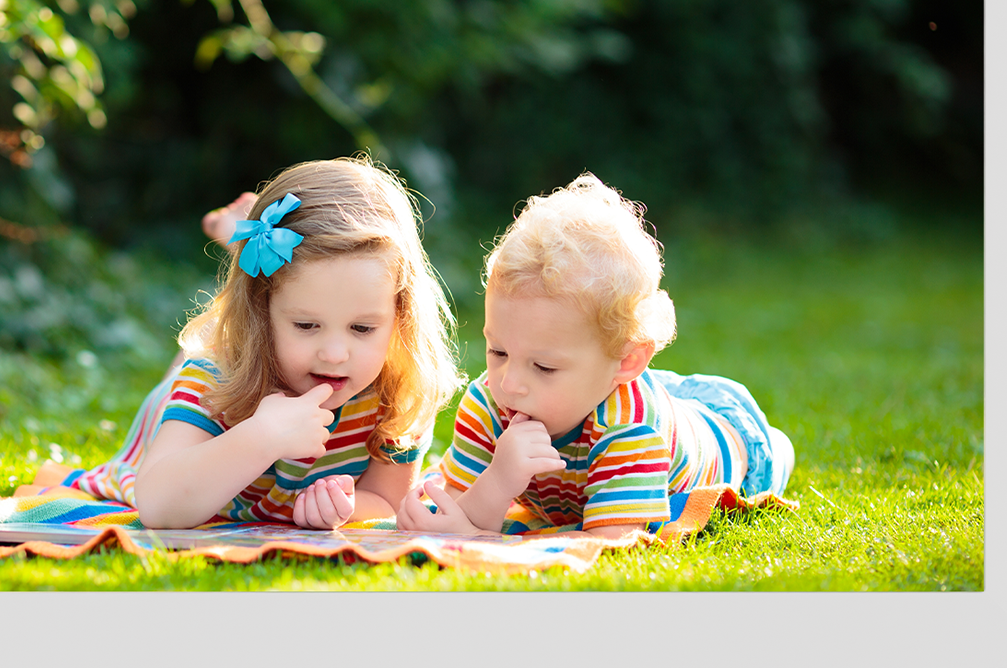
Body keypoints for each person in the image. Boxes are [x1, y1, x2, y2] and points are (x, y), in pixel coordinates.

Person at [44, 157, 461, 529]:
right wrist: (261, 437)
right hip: (234, 379)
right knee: (200, 356)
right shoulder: (213, 380)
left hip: (263, 340)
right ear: (262, 313)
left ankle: (244, 245)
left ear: (400, 315)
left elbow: (386, 500)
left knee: (249, 324)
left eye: (362, 329)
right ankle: (242, 246)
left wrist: (343, 509)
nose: (335, 355)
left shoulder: (396, 391)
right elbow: (157, 505)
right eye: (307, 325)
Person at [397, 174, 794, 536]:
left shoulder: (631, 430)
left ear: (625, 364)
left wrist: (478, 538)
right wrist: (497, 481)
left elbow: (610, 542)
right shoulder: (488, 403)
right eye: (498, 351)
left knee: (771, 456)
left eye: (544, 366)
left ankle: (775, 447)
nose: (509, 382)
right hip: (629, 392)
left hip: (728, 438)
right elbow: (452, 513)